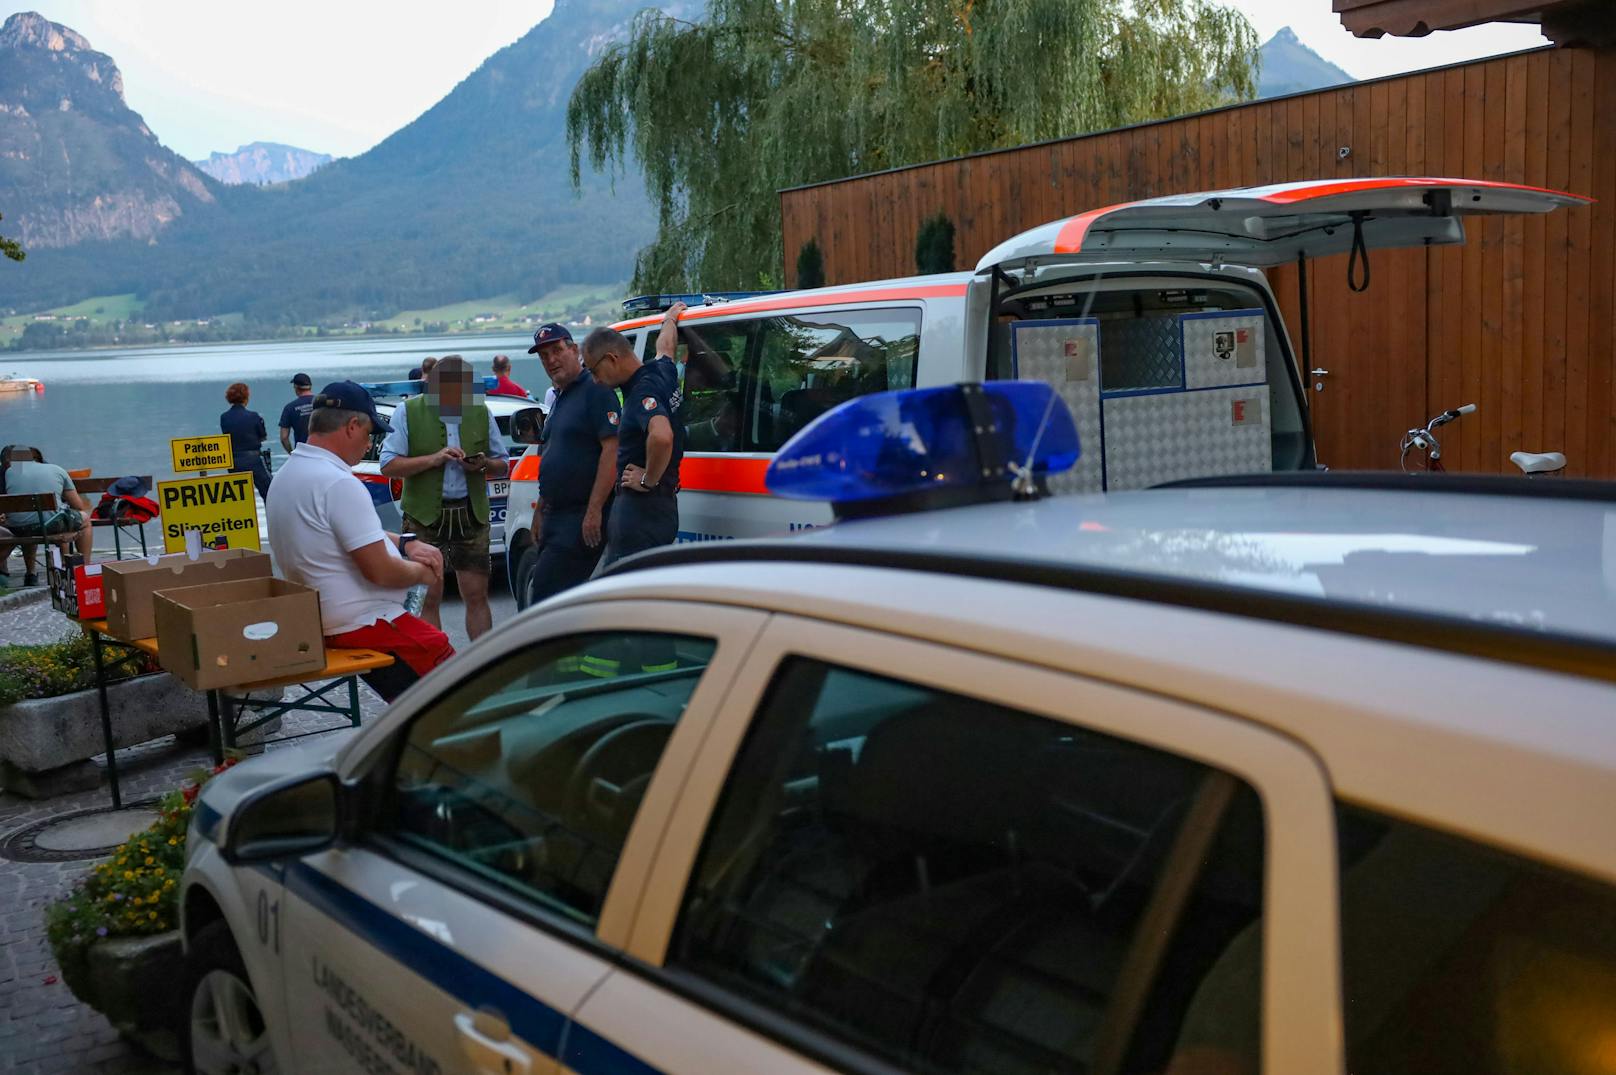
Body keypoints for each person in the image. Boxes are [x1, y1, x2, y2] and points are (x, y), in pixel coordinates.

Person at [267, 381, 452, 702]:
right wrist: (424, 575)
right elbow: (380, 572)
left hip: (318, 619)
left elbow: (343, 532)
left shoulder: (288, 475)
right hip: (360, 622)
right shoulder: (338, 483)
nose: (369, 445)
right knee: (460, 679)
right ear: (352, 426)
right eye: (369, 434)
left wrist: (406, 543)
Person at [379, 356, 509, 640]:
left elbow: (503, 463)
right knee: (428, 597)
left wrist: (483, 463)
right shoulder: (407, 411)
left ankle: (482, 668)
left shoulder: (480, 411)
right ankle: (435, 672)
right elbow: (387, 464)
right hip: (424, 514)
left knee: (477, 595)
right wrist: (434, 459)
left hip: (470, 512)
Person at [583, 302, 686, 567]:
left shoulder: (641, 392)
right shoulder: (662, 371)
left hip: (641, 511)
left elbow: (662, 435)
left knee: (619, 599)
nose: (595, 380)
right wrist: (669, 321)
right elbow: (665, 348)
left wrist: (647, 479)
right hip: (662, 508)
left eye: (594, 370)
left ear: (612, 359)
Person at [526, 323, 619, 604]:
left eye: (556, 351)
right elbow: (552, 453)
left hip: (579, 518)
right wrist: (540, 510)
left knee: (547, 597)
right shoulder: (560, 397)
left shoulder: (595, 389)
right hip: (555, 516)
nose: (551, 360)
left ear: (574, 350)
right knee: (554, 600)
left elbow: (612, 450)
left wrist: (594, 512)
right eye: (543, 356)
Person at [0, 445, 94, 585]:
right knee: (85, 519)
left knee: (29, 520)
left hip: (18, 529)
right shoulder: (57, 469)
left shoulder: (9, 473)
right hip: (50, 525)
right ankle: (85, 569)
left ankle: (30, 574)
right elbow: (79, 506)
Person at [220, 382, 272, 500]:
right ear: (246, 398)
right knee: (269, 492)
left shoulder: (224, 417)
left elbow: (226, 435)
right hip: (254, 460)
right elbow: (263, 436)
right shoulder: (254, 416)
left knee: (240, 497)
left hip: (234, 462)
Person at [278, 373, 315, 453]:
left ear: (296, 387)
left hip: (302, 453)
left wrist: (292, 454)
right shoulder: (322, 403)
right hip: (323, 453)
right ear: (310, 386)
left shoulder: (289, 408)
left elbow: (284, 437)